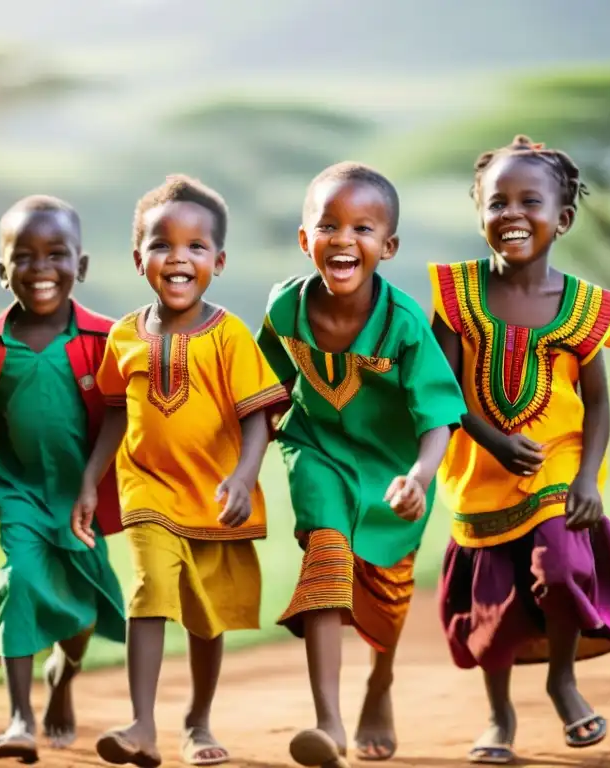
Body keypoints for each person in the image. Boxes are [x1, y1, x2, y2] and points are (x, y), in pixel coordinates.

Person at [429, 135, 610, 764]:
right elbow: (441, 389)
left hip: (557, 462)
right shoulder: (455, 295)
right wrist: (493, 441)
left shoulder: (587, 307)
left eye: (528, 201)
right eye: (495, 202)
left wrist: (587, 478)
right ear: (479, 215)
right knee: (494, 602)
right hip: (480, 467)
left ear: (562, 218)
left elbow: (599, 402)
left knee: (560, 570)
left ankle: (563, 679)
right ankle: (499, 714)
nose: (511, 214)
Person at [71, 175, 288, 768]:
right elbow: (116, 415)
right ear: (139, 258)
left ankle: (198, 719)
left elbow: (257, 418)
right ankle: (142, 724)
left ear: (218, 259)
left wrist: (244, 477)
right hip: (147, 489)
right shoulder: (123, 337)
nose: (178, 258)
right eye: (162, 244)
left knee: (203, 612)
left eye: (196, 247)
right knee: (151, 589)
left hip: (213, 494)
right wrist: (92, 478)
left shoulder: (231, 336)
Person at [255, 162, 467, 768]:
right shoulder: (284, 309)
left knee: (388, 591)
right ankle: (328, 722)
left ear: (388, 246)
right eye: (328, 225)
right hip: (314, 447)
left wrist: (421, 478)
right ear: (305, 240)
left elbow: (437, 418)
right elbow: (263, 393)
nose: (344, 239)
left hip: (393, 471)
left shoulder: (402, 325)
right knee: (325, 556)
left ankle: (380, 681)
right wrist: (241, 458)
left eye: (363, 228)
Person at [0, 195, 128, 763]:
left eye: (56, 255)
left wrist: (94, 481)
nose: (41, 270)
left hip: (79, 496)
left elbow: (123, 410)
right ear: (2, 271)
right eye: (24, 257)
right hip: (17, 494)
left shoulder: (105, 341)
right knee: (18, 585)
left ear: (81, 266)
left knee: (85, 609)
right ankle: (20, 716)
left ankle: (64, 677)